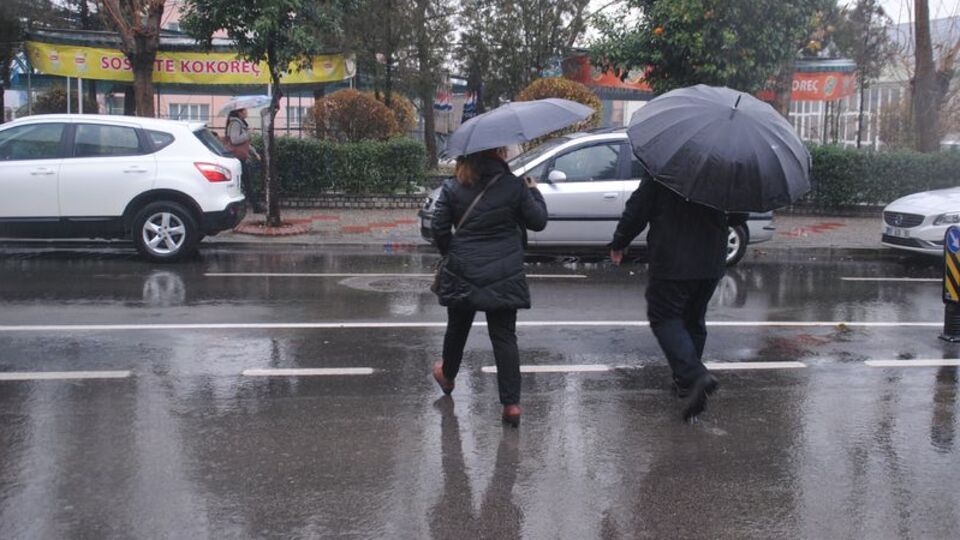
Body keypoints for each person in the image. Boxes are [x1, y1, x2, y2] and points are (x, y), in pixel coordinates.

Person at [608, 174, 747, 421]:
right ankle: (685, 384)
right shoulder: (722, 169)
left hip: (673, 258)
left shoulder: (663, 169)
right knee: (693, 318)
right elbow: (739, 214)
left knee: (664, 317)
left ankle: (694, 376)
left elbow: (638, 208)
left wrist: (620, 241)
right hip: (710, 259)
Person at [430, 147, 548, 427]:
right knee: (504, 337)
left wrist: (453, 252)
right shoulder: (514, 185)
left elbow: (439, 227)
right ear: (499, 152)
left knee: (457, 329)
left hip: (463, 269)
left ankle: (447, 375)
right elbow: (538, 222)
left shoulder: (453, 186)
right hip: (504, 272)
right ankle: (511, 404)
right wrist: (533, 191)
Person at [224, 108, 265, 213]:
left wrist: (254, 152)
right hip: (236, 158)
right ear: (239, 113)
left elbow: (245, 143)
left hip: (239, 157)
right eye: (245, 111)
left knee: (245, 182)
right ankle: (255, 206)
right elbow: (235, 139)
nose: (247, 112)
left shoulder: (240, 124)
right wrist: (248, 134)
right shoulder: (236, 124)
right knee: (246, 182)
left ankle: (254, 206)